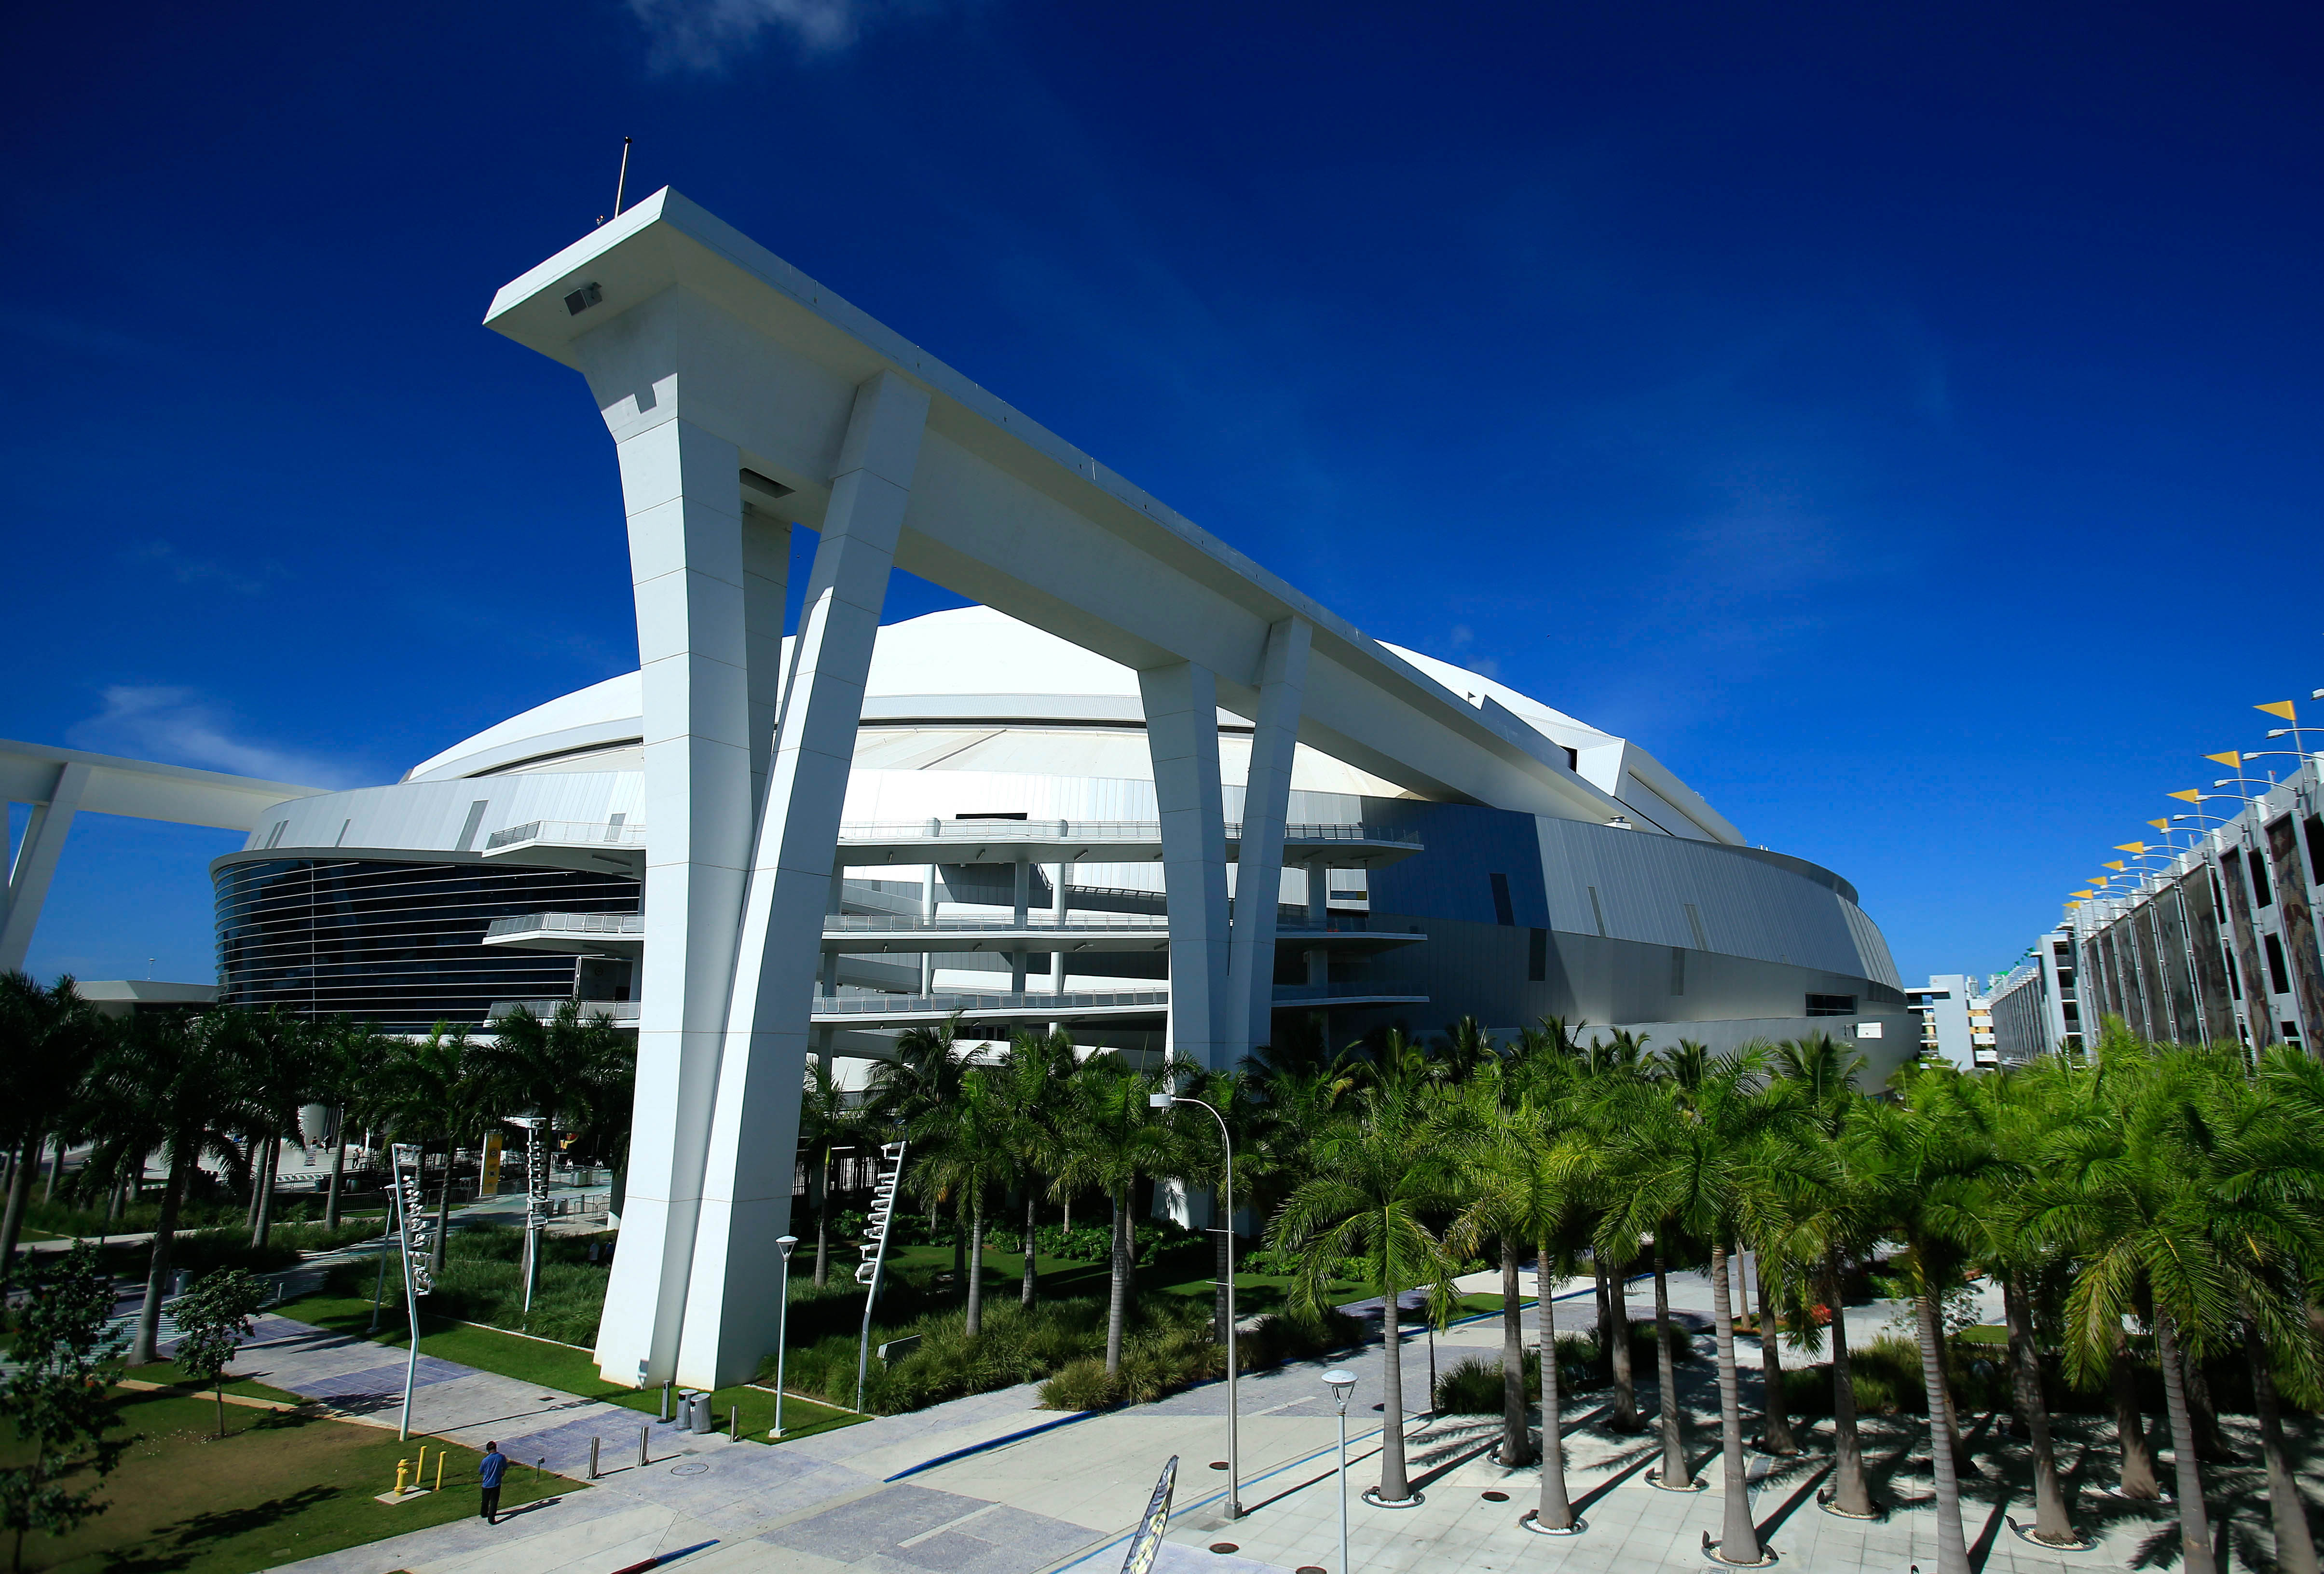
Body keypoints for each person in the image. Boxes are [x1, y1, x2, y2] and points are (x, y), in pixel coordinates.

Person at [478, 1440, 507, 1523]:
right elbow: (505, 1467)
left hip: (486, 1484)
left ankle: (484, 1514)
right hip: (496, 1483)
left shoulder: (486, 1460)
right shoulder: (501, 1457)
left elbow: (481, 1471)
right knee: (494, 1502)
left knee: (485, 1500)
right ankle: (491, 1519)